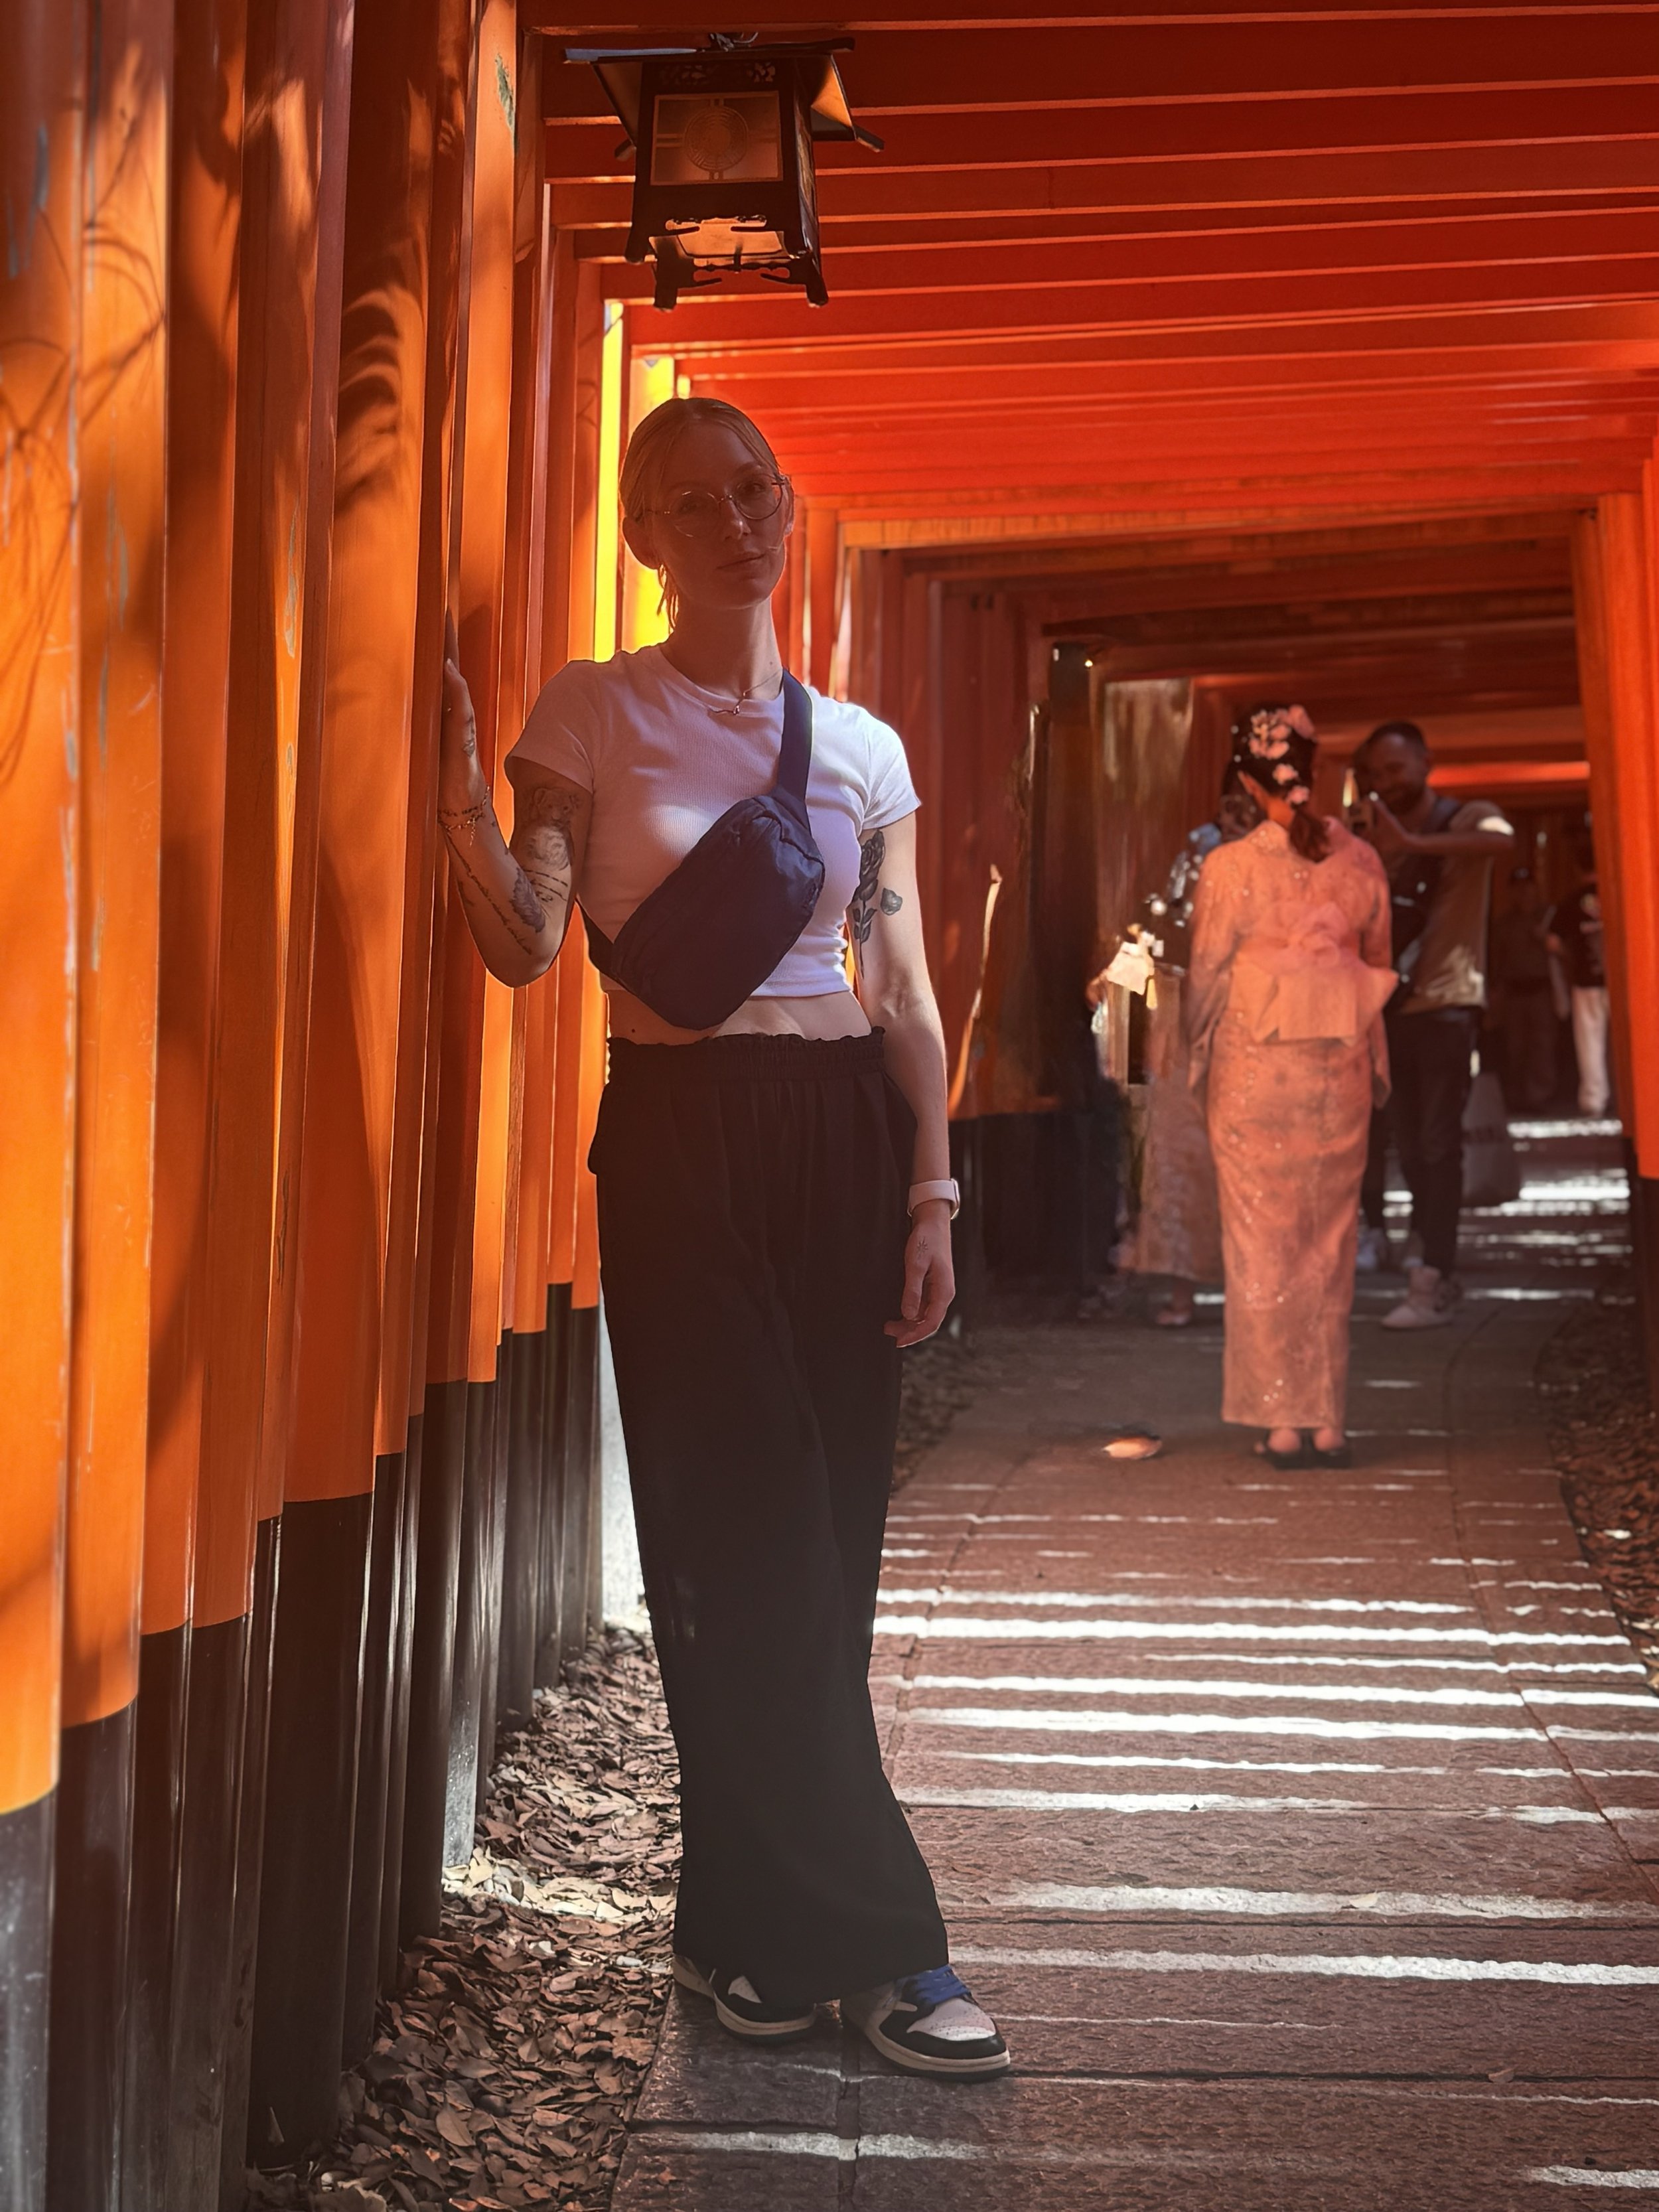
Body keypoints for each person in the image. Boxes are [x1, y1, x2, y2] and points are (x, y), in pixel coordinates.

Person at [434, 396, 1009, 2079]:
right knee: (741, 1528)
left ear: (785, 505)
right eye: (691, 501)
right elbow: (530, 944)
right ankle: (893, 1952)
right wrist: (459, 801)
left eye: (754, 487)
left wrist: (931, 1189)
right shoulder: (594, 712)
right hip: (682, 1139)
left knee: (825, 1552)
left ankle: (743, 1934)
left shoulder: (864, 750)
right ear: (645, 537)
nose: (735, 519)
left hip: (843, 1142)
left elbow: (900, 987)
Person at [1187, 705, 1395, 1469]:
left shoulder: (1229, 868)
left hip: (1254, 1064)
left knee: (1260, 1242)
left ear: (1248, 781)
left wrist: (1193, 1061)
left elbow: (1207, 978)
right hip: (1333, 1061)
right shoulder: (1361, 863)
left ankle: (1280, 1421)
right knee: (1329, 1237)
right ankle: (1329, 1420)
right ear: (1319, 775)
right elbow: (1378, 959)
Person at [1348, 720, 1515, 1328]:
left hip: (1445, 1001)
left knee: (1438, 1142)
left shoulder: (1468, 817)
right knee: (1405, 1143)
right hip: (1383, 1006)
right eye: (1378, 774)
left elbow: (1503, 841)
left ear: (1426, 761)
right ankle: (1415, 1250)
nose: (1388, 783)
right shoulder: (1367, 835)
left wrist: (1412, 847)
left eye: (1397, 768)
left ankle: (1433, 1275)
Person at [1112, 774, 1260, 1326]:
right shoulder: (1191, 859)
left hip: (1253, 1023)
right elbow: (1162, 931)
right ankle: (1181, 1289)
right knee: (1180, 1156)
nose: (1239, 814)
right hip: (1186, 1017)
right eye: (1233, 803)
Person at [1547, 838, 1610, 1117]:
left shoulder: (1572, 901)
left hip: (1585, 979)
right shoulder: (1619, 894)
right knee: (1627, 1040)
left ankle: (1594, 1099)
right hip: (1620, 982)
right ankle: (1630, 1093)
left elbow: (1552, 941)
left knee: (1590, 1042)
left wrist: (1570, 959)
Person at [1489, 867, 1559, 1112]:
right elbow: (1496, 960)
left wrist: (1547, 941)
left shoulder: (1548, 918)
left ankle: (1540, 1098)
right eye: (1518, 888)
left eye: (1528, 887)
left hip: (1540, 990)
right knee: (1514, 1047)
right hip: (1514, 993)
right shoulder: (1504, 924)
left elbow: (1565, 954)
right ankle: (1515, 1097)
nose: (1524, 893)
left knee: (1542, 1047)